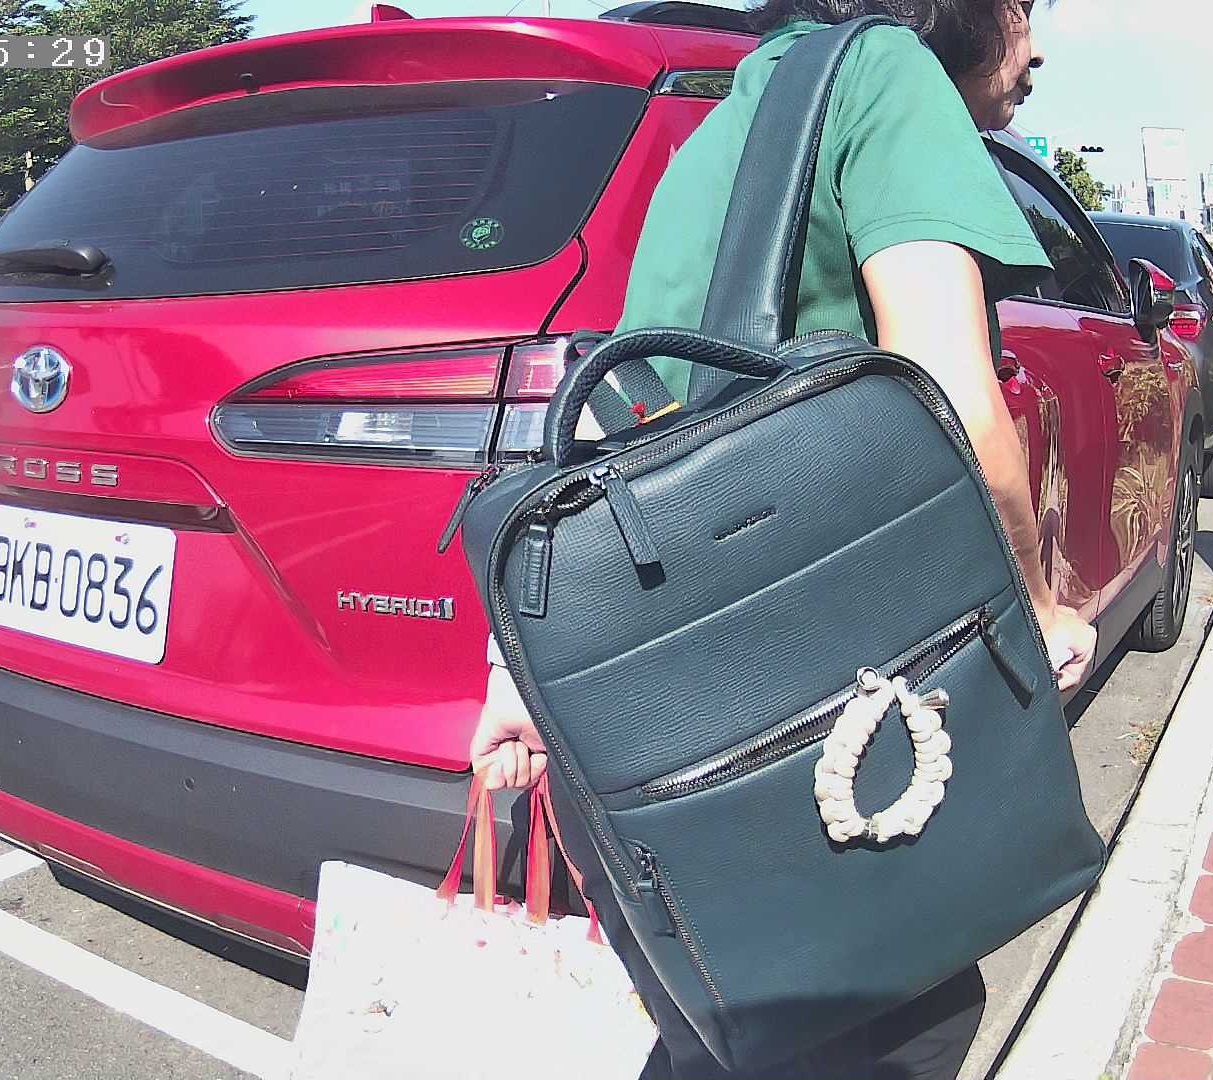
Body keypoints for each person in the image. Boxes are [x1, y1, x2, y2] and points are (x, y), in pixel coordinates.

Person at [469, 1, 1097, 1078]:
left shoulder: (730, 118)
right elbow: (952, 392)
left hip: (688, 749)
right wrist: (1038, 609)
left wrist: (519, 676)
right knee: (900, 1025)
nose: (1035, 46)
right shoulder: (886, 71)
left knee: (730, 1034)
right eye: (1025, 7)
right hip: (824, 717)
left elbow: (638, 424)